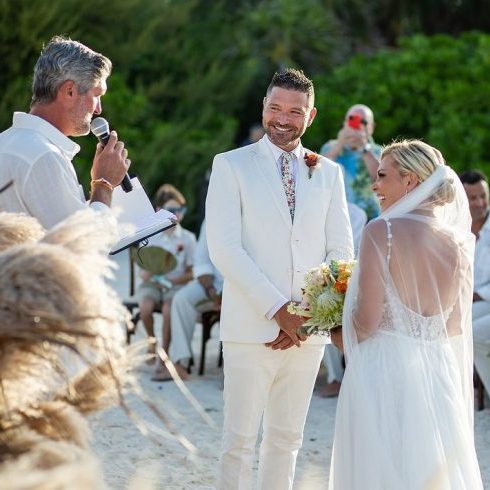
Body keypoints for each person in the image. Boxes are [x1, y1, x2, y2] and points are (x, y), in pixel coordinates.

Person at [206, 68, 353, 490]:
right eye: (275, 108)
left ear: (311, 116)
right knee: (238, 440)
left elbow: (341, 253)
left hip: (307, 331)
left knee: (287, 439)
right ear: (264, 108)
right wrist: (278, 310)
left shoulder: (328, 172)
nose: (283, 119)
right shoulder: (230, 165)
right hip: (251, 327)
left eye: (295, 111)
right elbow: (225, 248)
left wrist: (308, 314)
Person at [329, 140, 483, 489]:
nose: (375, 185)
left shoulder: (380, 232)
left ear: (411, 181)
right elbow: (456, 325)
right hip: (437, 373)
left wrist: (331, 331)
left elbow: (366, 324)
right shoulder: (458, 244)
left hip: (385, 371)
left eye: (383, 176)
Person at [0, 35, 129, 229]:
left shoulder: (8, 141)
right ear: (69, 91)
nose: (98, 109)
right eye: (96, 95)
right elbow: (83, 247)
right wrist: (104, 184)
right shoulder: (44, 156)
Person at [135, 184, 196, 381]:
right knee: (145, 307)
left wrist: (175, 279)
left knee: (170, 309)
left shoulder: (188, 238)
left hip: (176, 284)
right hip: (153, 282)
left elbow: (192, 272)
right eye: (172, 210)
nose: (177, 214)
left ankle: (165, 354)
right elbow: (143, 266)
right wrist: (147, 274)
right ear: (159, 211)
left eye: (180, 210)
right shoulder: (151, 235)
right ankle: (152, 341)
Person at [320, 201, 367, 398]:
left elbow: (348, 252)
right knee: (322, 309)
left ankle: (357, 376)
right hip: (325, 276)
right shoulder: (313, 205)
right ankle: (335, 378)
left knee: (332, 308)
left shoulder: (356, 213)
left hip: (352, 276)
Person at [168, 219, 223, 379]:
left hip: (242, 288)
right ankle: (181, 361)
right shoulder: (212, 217)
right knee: (181, 299)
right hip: (212, 284)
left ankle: (234, 370)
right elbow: (201, 262)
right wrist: (211, 290)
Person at [320, 104, 381, 219]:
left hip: (371, 218)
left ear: (372, 127)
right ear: (345, 123)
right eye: (352, 120)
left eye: (362, 122)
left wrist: (363, 148)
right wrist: (340, 144)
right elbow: (320, 174)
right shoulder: (330, 148)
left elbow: (381, 179)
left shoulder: (378, 151)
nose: (357, 125)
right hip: (336, 216)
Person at [460, 170, 490, 399]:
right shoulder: (455, 230)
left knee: (467, 328)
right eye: (473, 198)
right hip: (465, 299)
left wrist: (477, 295)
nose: (480, 203)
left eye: (483, 196)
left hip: (484, 298)